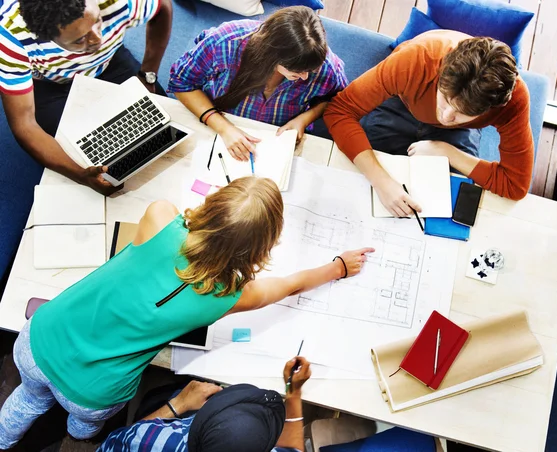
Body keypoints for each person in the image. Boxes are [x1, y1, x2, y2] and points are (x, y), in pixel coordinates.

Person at [0, 177, 374, 448]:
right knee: (83, 424)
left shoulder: (160, 216)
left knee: (29, 396)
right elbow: (289, 285)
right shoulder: (230, 296)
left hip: (38, 339)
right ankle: (77, 437)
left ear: (213, 203)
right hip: (93, 390)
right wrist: (337, 267)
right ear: (262, 249)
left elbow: (173, 229)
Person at [323, 30, 534, 217]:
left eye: (462, 112)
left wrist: (447, 152)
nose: (446, 116)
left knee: (447, 206)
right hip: (403, 105)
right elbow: (339, 111)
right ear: (441, 72)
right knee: (357, 185)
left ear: (491, 108)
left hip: (457, 135)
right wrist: (382, 182)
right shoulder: (415, 59)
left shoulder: (514, 100)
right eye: (445, 98)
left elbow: (515, 185)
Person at [0, 0, 173, 195]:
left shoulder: (118, 1)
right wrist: (81, 175)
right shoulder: (10, 36)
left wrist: (148, 74)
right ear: (45, 35)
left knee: (163, 127)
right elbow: (25, 124)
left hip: (109, 62)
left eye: (98, 21)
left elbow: (163, 7)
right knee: (79, 155)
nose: (97, 40)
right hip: (53, 84)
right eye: (79, 39)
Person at [168, 6, 348, 162]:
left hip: (277, 143)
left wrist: (304, 119)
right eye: (297, 71)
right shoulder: (225, 43)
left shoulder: (326, 66)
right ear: (272, 55)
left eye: (311, 70)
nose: (305, 77)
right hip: (216, 124)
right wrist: (224, 128)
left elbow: (338, 100)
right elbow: (181, 82)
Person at [98, 356, 313, 451]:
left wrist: (179, 404)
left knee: (161, 395)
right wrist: (293, 394)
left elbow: (112, 444)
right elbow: (293, 449)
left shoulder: (151, 440)